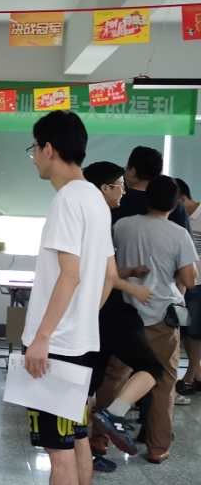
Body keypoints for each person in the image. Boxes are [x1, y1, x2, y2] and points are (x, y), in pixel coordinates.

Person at [22, 111, 116, 485]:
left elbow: (70, 274)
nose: (34, 158)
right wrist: (82, 318)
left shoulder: (66, 201)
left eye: (34, 149)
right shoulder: (95, 198)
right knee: (76, 437)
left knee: (57, 448)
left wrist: (43, 336)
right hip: (80, 341)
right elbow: (109, 275)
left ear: (49, 149)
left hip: (57, 348)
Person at [112, 175, 198, 464]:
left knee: (116, 376)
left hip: (125, 312)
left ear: (147, 199)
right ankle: (158, 448)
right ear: (175, 205)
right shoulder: (178, 234)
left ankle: (99, 440)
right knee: (162, 384)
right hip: (162, 317)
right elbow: (190, 279)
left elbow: (109, 265)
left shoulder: (122, 226)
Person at [81, 162, 163, 464]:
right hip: (110, 310)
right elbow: (106, 276)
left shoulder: (91, 219)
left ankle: (88, 448)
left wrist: (127, 273)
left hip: (95, 313)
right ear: (104, 188)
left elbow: (103, 270)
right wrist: (133, 288)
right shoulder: (100, 221)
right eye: (119, 185)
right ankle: (112, 415)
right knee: (151, 368)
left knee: (91, 381)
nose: (124, 192)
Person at [175, 178, 201, 395]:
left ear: (182, 198)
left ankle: (191, 376)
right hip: (183, 281)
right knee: (186, 331)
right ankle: (196, 375)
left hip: (198, 283)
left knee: (194, 332)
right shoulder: (179, 217)